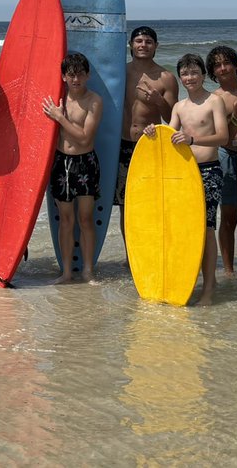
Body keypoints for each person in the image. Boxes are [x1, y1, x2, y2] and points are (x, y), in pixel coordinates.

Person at [144, 52, 228, 305]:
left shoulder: (214, 102)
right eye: (185, 73)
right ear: (180, 77)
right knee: (185, 229)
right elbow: (169, 136)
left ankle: (210, 287)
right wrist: (152, 133)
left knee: (207, 228)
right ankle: (186, 281)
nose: (189, 77)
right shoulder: (179, 107)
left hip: (209, 171)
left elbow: (222, 137)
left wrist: (192, 139)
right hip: (183, 175)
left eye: (194, 72)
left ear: (203, 74)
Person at [42, 52, 103, 284]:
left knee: (85, 219)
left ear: (87, 75)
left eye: (80, 74)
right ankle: (66, 272)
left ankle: (88, 271)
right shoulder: (57, 99)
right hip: (61, 162)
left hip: (85, 163)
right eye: (71, 75)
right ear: (63, 77)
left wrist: (60, 118)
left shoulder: (94, 101)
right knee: (65, 220)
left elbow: (85, 139)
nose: (76, 79)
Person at [118, 26, 178, 236]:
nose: (143, 45)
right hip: (122, 145)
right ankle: (130, 258)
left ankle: (150, 252)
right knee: (126, 205)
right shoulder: (120, 72)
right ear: (131, 45)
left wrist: (159, 101)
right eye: (139, 41)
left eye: (148, 42)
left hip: (151, 146)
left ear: (156, 46)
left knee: (151, 202)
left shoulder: (165, 78)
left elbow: (172, 119)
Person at [206, 46, 237, 278]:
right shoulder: (215, 99)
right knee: (229, 218)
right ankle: (228, 270)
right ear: (212, 71)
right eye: (217, 65)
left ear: (236, 64)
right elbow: (223, 136)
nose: (223, 68)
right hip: (227, 157)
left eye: (227, 63)